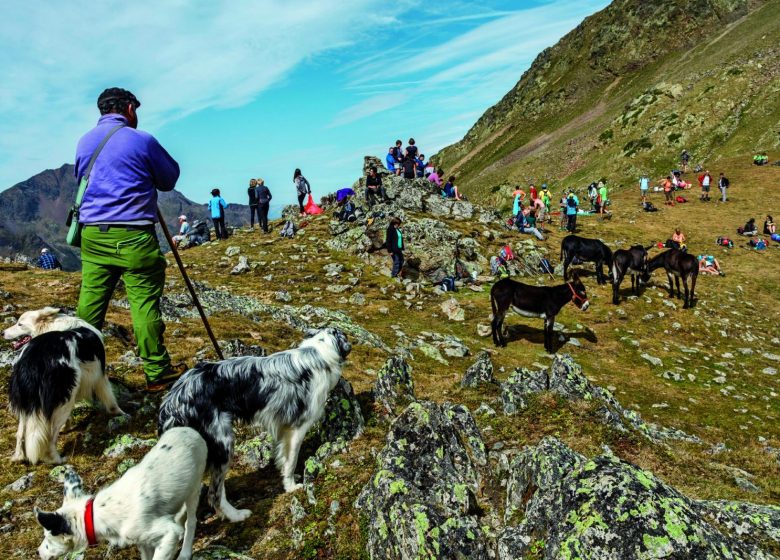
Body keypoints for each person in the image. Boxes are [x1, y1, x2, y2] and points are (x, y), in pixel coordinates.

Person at [75, 87, 182, 392]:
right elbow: (169, 179)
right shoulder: (142, 140)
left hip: (93, 234)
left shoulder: (84, 142)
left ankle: (80, 373)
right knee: (144, 305)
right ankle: (157, 371)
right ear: (129, 108)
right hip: (134, 234)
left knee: (89, 307)